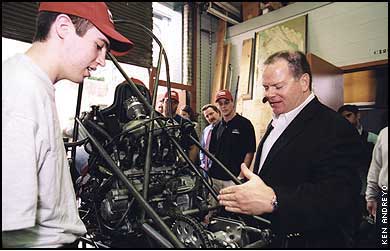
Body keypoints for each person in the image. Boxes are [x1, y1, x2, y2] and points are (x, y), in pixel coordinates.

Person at [2, 2, 133, 248]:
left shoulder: (35, 86)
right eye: (99, 45)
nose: (102, 61)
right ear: (63, 27)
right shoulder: (20, 92)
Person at [218, 50, 363, 248]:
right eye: (266, 87)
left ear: (304, 82)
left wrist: (275, 199)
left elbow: (340, 196)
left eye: (278, 86)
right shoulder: (278, 120)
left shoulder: (335, 127)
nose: (269, 94)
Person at [208, 89, 256, 199]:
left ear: (232, 103)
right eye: (220, 104)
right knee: (212, 212)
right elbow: (213, 152)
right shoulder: (216, 127)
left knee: (232, 213)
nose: (223, 106)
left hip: (233, 178)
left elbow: (250, 152)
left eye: (226, 103)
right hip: (215, 178)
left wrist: (240, 177)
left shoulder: (245, 124)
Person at [338, 104, 378, 217]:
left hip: (367, 188)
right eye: (342, 117)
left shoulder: (372, 139)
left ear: (358, 115)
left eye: (348, 115)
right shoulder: (337, 141)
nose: (346, 120)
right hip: (346, 191)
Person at [365, 126, 388, 246]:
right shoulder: (385, 134)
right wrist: (370, 197)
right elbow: (375, 167)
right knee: (385, 241)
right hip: (386, 195)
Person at [162, 90, 199, 163]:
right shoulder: (155, 121)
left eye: (174, 102)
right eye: (168, 101)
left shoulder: (184, 123)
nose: (171, 104)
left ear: (177, 104)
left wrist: (189, 165)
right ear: (163, 102)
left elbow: (194, 146)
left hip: (178, 164)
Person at [199, 104, 221, 172]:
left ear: (218, 112)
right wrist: (202, 163)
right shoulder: (206, 130)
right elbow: (202, 148)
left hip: (219, 168)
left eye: (211, 113)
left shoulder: (224, 128)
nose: (210, 117)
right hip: (206, 168)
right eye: (207, 116)